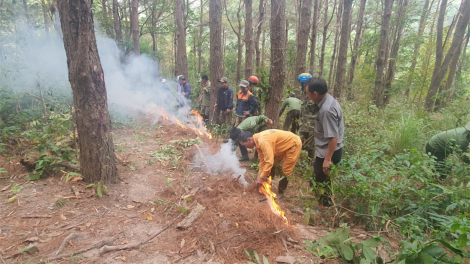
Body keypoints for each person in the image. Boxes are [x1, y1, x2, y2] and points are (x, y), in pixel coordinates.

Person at [306, 77, 344, 206]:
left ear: (315, 93)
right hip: (325, 150)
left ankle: (324, 208)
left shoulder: (327, 110)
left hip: (329, 152)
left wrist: (327, 159)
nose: (307, 96)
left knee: (320, 181)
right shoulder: (328, 100)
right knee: (321, 180)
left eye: (308, 93)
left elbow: (334, 137)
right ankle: (323, 204)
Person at [238, 129, 302, 197]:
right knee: (272, 165)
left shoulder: (263, 141)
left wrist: (262, 177)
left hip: (293, 143)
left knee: (286, 170)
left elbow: (269, 162)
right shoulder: (257, 140)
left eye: (244, 145)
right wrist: (259, 175)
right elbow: (263, 161)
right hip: (280, 146)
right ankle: (267, 187)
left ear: (249, 139)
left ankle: (281, 192)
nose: (245, 147)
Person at [298, 73, 319, 161]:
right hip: (303, 125)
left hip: (312, 126)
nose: (299, 84)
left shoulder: (315, 94)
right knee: (298, 143)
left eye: (300, 82)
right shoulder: (303, 93)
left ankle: (310, 164)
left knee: (311, 147)